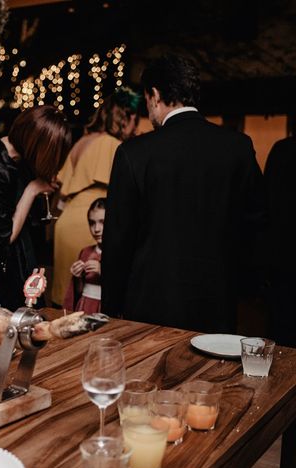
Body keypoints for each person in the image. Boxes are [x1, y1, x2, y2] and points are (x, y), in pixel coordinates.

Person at [101, 54, 266, 334]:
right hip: (217, 300)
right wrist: (245, 290)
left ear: (154, 95)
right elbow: (256, 225)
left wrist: (112, 309)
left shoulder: (134, 153)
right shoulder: (237, 147)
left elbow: (118, 240)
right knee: (209, 377)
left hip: (150, 304)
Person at [0, 105, 72, 310]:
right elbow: (3, 238)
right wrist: (32, 190)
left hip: (17, 271)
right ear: (35, 145)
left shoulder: (20, 162)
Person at [52, 87, 140, 307]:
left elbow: (62, 189)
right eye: (134, 120)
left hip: (67, 220)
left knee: (67, 292)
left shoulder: (82, 141)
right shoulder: (112, 144)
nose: (135, 127)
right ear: (124, 117)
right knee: (92, 290)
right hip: (92, 219)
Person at [264, 136, 296, 347]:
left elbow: (266, 206)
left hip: (285, 259)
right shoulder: (284, 151)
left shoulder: (284, 151)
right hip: (284, 259)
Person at [63, 197, 105, 313]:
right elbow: (78, 291)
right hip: (85, 307)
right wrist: (77, 277)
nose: (96, 229)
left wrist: (103, 271)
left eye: (103, 222)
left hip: (105, 310)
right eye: (92, 223)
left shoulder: (122, 254)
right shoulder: (85, 252)